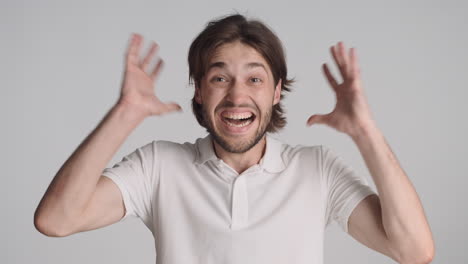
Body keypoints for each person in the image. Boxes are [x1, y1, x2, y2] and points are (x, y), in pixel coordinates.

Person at [34, 14, 434, 264]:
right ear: (199, 91)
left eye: (255, 79)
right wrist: (124, 115)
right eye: (219, 78)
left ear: (277, 91)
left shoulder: (318, 170)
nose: (237, 96)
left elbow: (414, 251)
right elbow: (55, 220)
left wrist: (365, 132)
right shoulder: (159, 166)